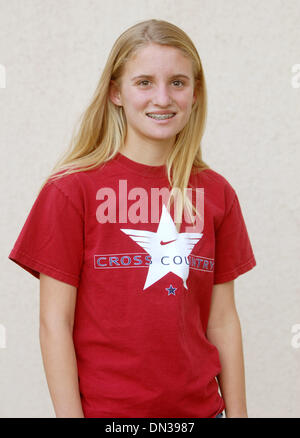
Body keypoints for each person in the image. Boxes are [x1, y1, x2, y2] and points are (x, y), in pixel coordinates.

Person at [8, 18, 256, 418]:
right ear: (116, 93)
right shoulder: (71, 191)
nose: (163, 98)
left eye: (178, 82)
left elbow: (223, 320)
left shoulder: (217, 193)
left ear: (195, 94)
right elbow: (54, 323)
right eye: (144, 82)